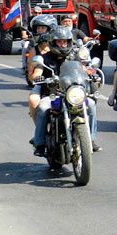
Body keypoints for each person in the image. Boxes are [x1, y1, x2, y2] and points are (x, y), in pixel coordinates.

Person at [32, 26, 101, 156]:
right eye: (59, 42)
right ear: (53, 43)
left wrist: (91, 74)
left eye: (65, 41)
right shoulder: (45, 58)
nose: (63, 44)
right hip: (54, 94)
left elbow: (84, 68)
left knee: (91, 105)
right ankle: (39, 143)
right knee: (42, 107)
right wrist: (38, 77)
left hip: (72, 93)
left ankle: (91, 139)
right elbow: (37, 72)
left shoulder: (74, 56)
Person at [27, 14, 57, 125]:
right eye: (37, 28)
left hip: (62, 81)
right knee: (33, 100)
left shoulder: (59, 45)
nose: (39, 31)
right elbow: (31, 75)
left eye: (42, 28)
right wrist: (36, 77)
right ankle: (39, 132)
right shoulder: (34, 51)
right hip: (45, 83)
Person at [21, 6, 43, 71]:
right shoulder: (28, 20)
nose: (37, 15)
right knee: (25, 46)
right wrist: (25, 35)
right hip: (31, 39)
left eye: (39, 13)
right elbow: (24, 29)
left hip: (43, 39)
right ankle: (24, 66)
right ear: (32, 13)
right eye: (35, 13)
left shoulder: (44, 20)